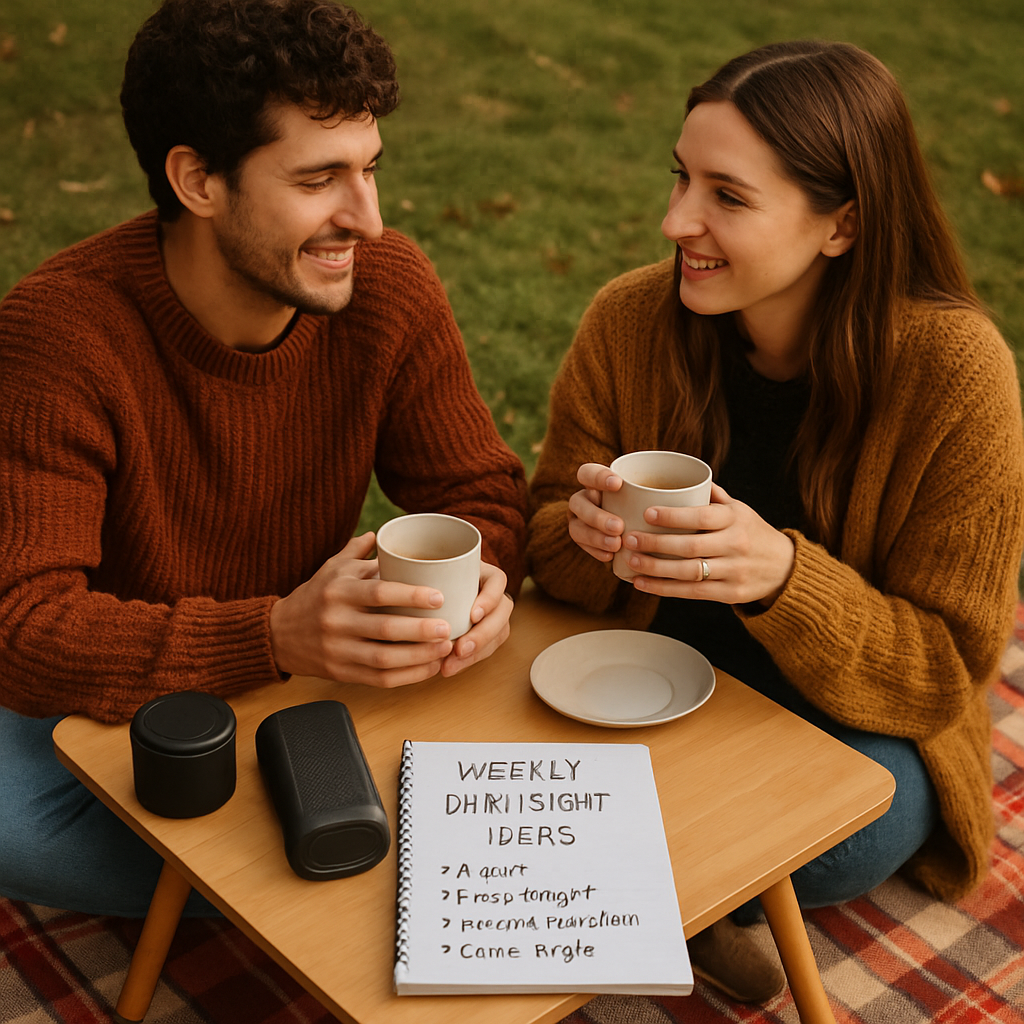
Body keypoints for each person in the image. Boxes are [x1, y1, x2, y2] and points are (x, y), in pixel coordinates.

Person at [0, 0, 527, 918]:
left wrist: (478, 575)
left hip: (320, 687)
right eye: (320, 179)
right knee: (12, 820)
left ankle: (313, 874)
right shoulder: (59, 336)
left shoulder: (386, 288)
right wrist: (270, 634)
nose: (367, 218)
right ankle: (396, 881)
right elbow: (26, 630)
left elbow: (479, 491)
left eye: (370, 170)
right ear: (198, 180)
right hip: (128, 707)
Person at [527, 40, 1024, 1003]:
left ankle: (617, 891)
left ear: (842, 224)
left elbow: (942, 672)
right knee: (512, 715)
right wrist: (585, 540)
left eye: (728, 196)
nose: (677, 222)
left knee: (863, 826)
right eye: (681, 178)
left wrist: (784, 581)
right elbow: (546, 540)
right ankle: (688, 898)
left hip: (849, 716)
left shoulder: (957, 375)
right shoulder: (630, 322)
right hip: (649, 676)